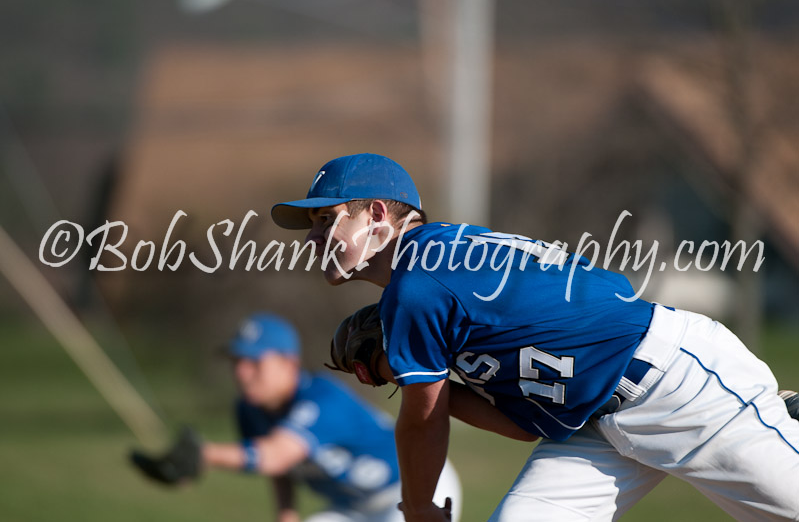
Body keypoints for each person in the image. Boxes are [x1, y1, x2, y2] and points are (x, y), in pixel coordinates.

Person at [271, 152, 799, 521]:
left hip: (675, 386)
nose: (314, 236)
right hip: (594, 422)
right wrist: (411, 373)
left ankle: (771, 415)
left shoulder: (418, 287)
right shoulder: (440, 265)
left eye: (326, 219)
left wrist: (418, 507)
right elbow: (522, 426)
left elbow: (421, 423)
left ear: (376, 215)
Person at [129, 312, 462, 522]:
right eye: (237, 362)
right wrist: (286, 513)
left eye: (254, 362)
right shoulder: (248, 409)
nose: (242, 373)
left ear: (289, 364)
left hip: (418, 488)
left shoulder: (322, 398)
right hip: (352, 506)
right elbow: (279, 467)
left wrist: (205, 454)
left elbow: (275, 455)